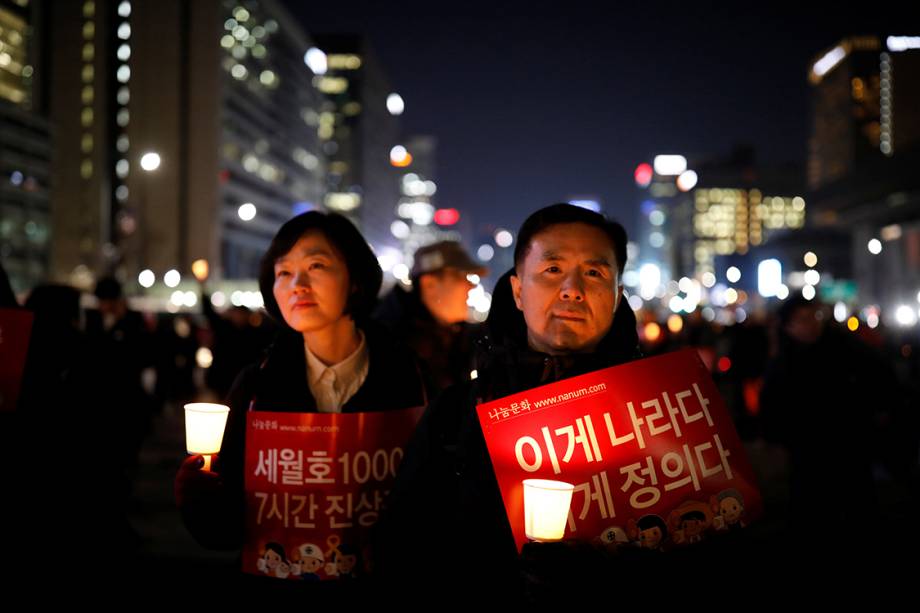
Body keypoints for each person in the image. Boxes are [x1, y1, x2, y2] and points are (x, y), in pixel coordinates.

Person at [372, 203, 641, 602]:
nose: (572, 288)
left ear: (617, 296)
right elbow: (403, 547)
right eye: (552, 269)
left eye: (594, 272)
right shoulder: (457, 413)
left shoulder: (660, 412)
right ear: (517, 290)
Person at [174, 212, 428, 587]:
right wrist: (198, 497)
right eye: (283, 273)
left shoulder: (409, 379)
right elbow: (224, 533)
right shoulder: (255, 388)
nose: (297, 284)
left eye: (316, 265)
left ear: (355, 280)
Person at [374, 240, 486, 391]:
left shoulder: (461, 338)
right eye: (462, 277)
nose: (471, 286)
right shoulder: (387, 345)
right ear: (429, 284)